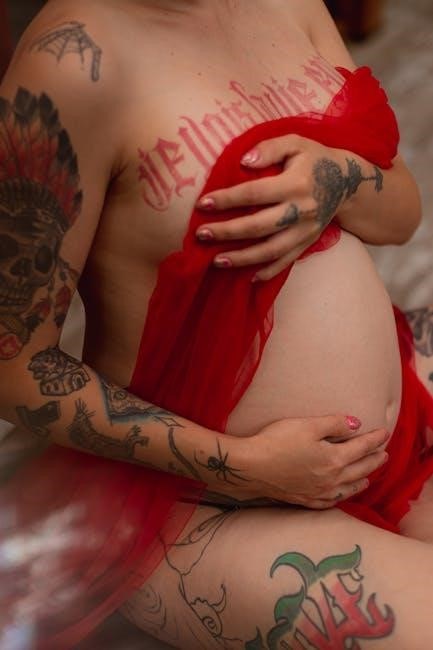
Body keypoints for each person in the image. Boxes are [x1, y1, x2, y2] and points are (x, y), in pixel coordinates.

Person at [0, 0, 433, 648]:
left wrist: (339, 180)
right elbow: (14, 371)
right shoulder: (72, 63)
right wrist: (246, 465)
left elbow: (400, 215)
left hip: (394, 423)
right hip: (201, 500)